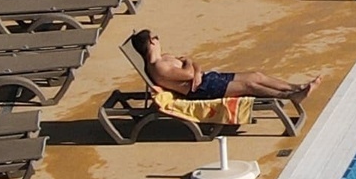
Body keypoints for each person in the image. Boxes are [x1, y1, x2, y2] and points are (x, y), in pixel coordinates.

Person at [130, 29, 310, 108]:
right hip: (204, 90)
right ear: (152, 42)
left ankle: (295, 87)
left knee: (256, 75)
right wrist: (193, 67)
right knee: (250, 87)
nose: (159, 39)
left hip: (207, 79)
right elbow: (189, 72)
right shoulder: (159, 67)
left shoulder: (165, 58)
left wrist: (194, 66)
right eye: (157, 37)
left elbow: (193, 67)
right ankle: (290, 96)